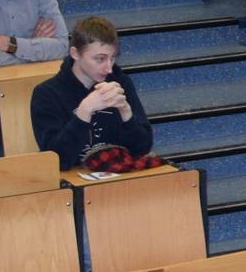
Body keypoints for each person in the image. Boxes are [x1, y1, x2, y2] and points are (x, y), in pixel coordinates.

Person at [27, 16, 155, 171]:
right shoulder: (46, 94)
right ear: (75, 53)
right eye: (100, 59)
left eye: (112, 58)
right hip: (74, 180)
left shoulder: (120, 82)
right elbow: (58, 161)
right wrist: (84, 111)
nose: (109, 68)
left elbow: (142, 148)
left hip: (117, 175)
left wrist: (127, 114)